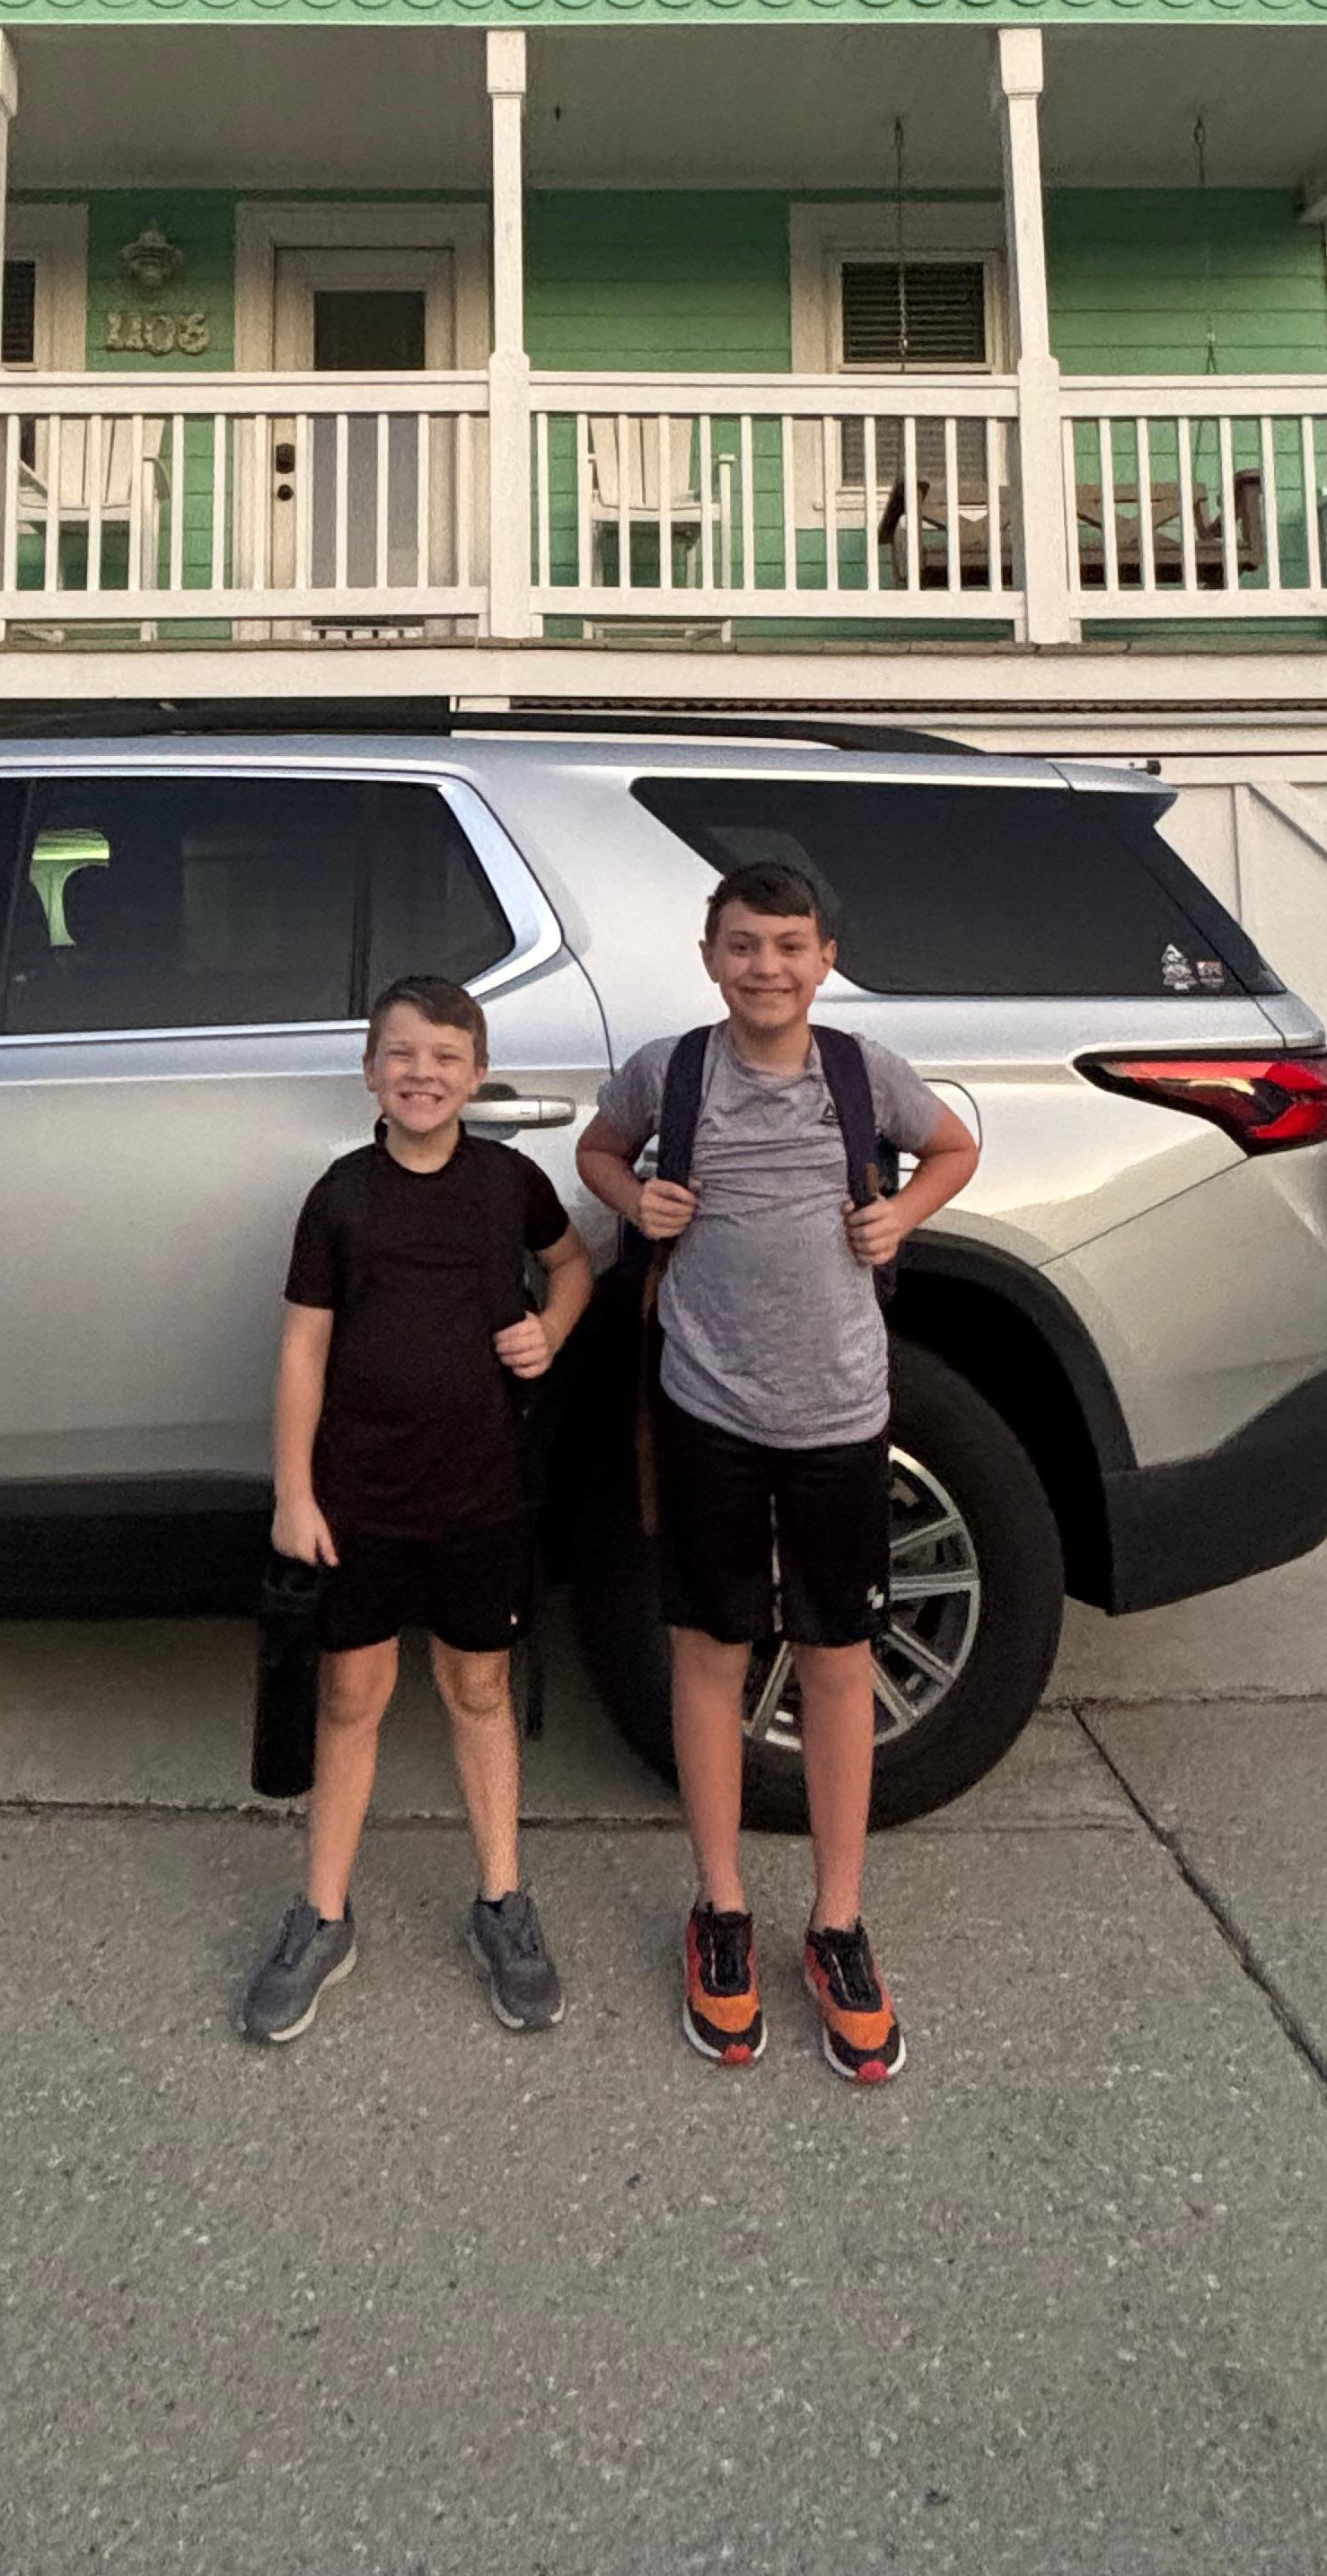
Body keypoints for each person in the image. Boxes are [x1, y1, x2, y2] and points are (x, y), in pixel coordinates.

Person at [576, 861, 979, 2083]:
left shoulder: (864, 1076)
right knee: (710, 1649)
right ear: (710, 957)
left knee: (838, 1660)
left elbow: (954, 1148)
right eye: (744, 946)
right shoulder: (672, 1071)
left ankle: (840, 1922)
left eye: (790, 946)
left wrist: (902, 1220)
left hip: (842, 1417)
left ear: (825, 958)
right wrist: (632, 1197)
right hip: (704, 1408)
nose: (767, 968)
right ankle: (721, 1908)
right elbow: (602, 1149)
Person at [237, 973, 593, 2045]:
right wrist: (294, 1492)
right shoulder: (340, 1195)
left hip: (479, 1493)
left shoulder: (510, 1185)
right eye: (402, 1055)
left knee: (477, 1687)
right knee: (352, 1696)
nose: (423, 1074)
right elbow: (303, 1346)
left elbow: (572, 1265)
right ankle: (323, 1913)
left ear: (476, 1074)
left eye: (445, 1056)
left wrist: (555, 1327)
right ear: (370, 1073)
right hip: (360, 1495)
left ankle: (502, 1901)